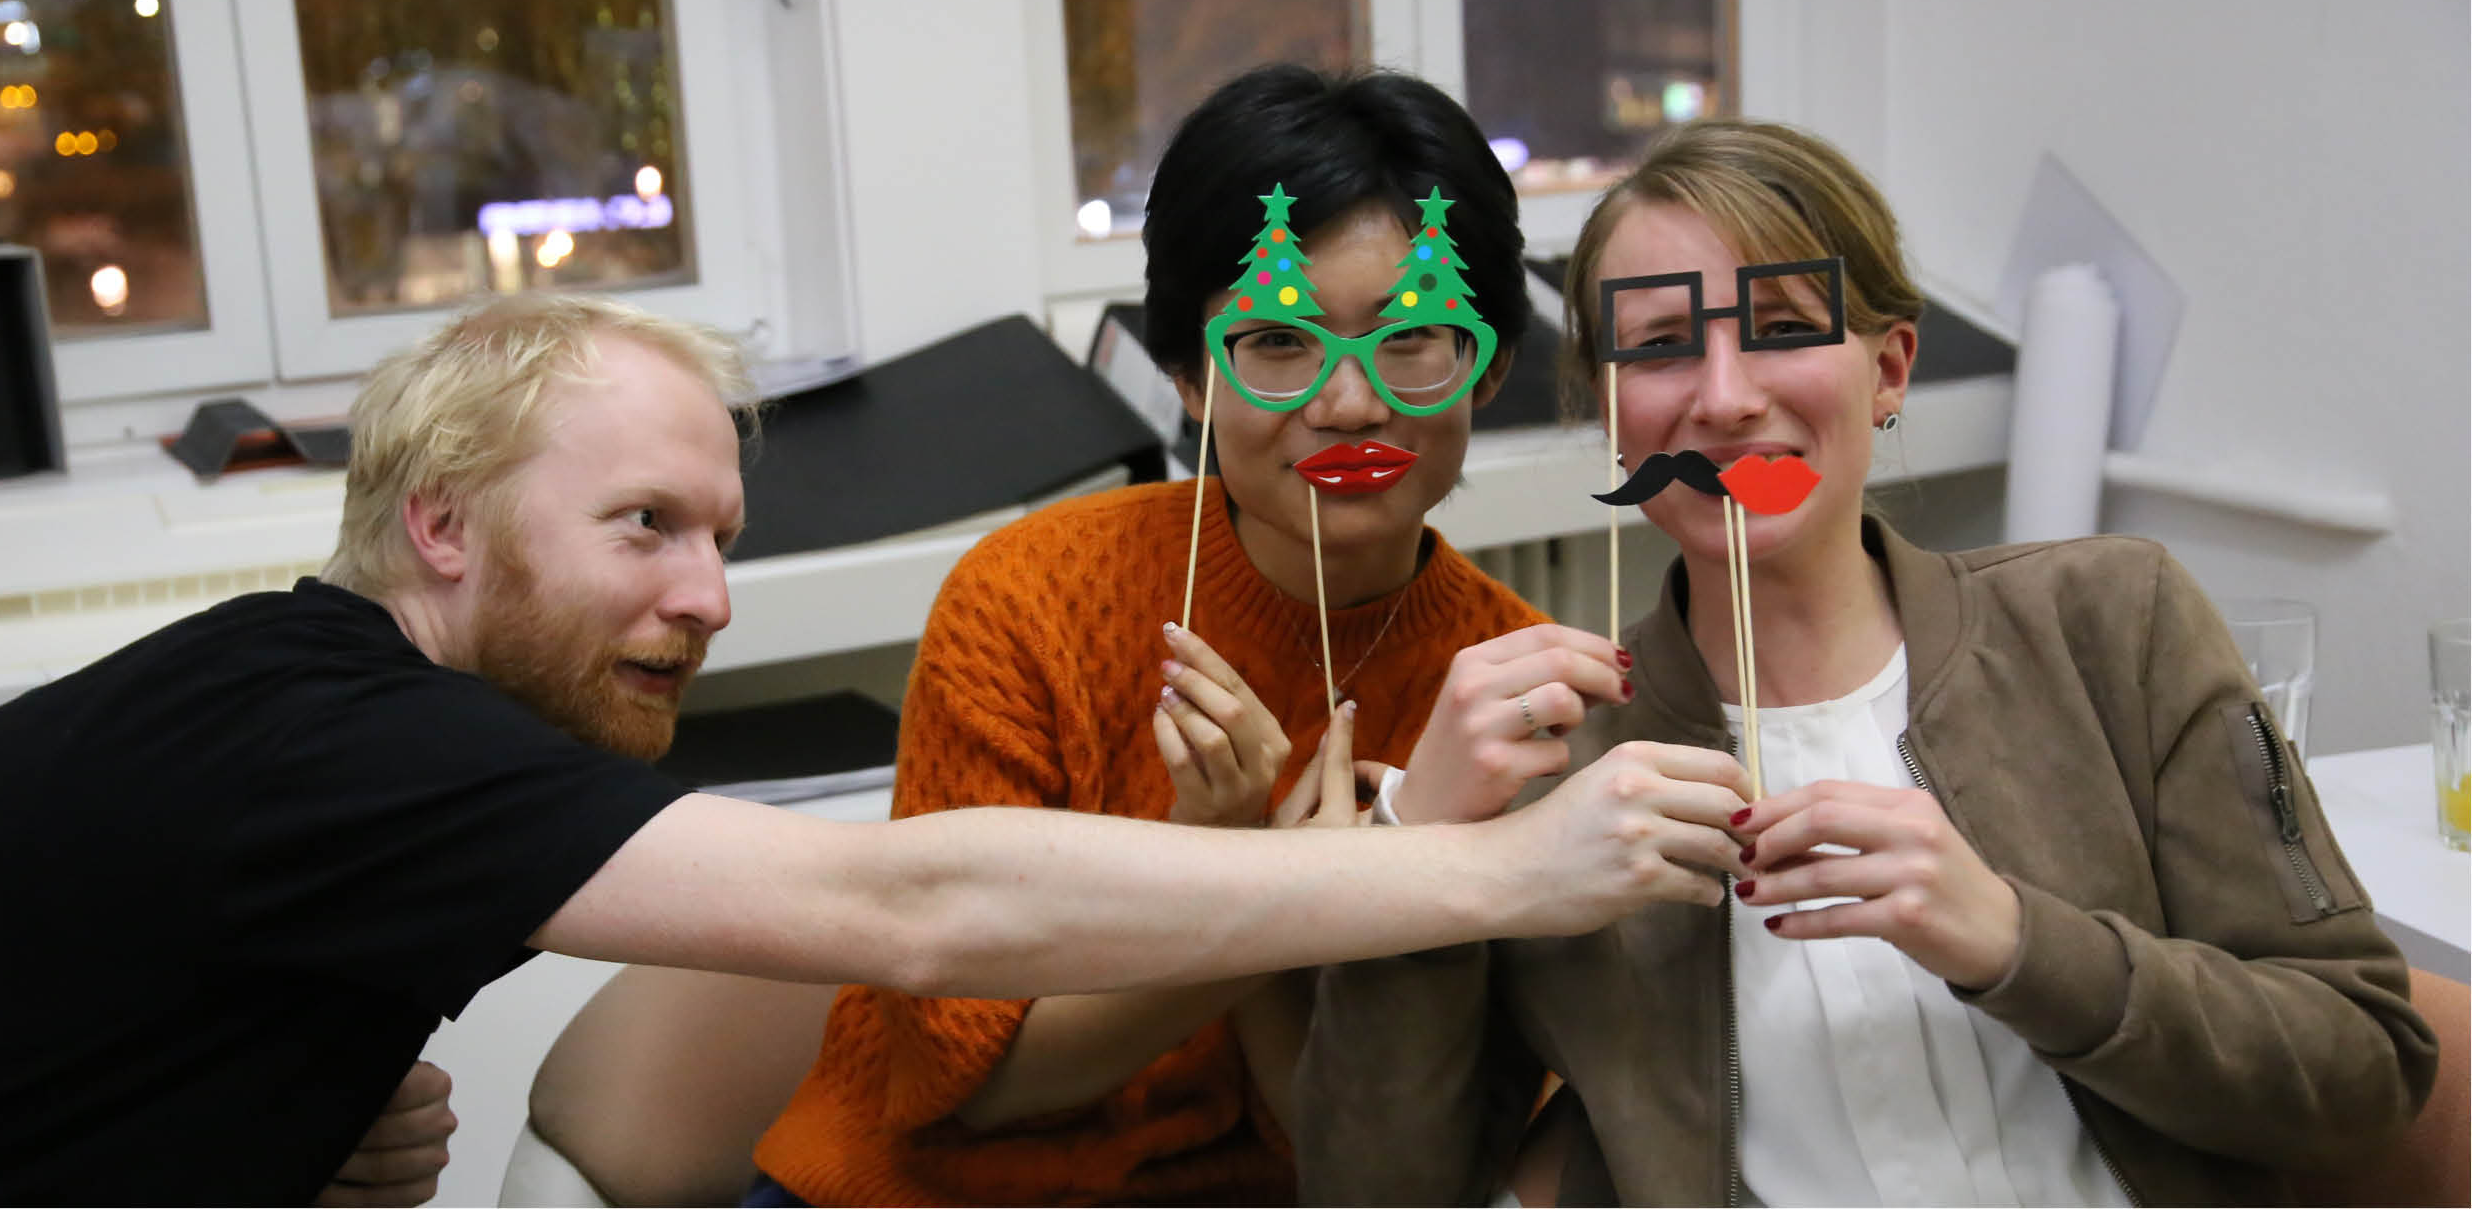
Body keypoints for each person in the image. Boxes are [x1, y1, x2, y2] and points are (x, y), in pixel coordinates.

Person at [0, 292, 1747, 1204]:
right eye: (642, 527)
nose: (706, 598)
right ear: (438, 525)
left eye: (720, 539)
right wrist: (1485, 863)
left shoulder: (337, 727)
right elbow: (909, 907)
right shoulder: (334, 732)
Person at [530, 66, 1752, 1206]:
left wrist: (1347, 877)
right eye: (1276, 342)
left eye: (1410, 338)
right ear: (1187, 375)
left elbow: (1360, 1160)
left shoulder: (1516, 697)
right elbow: (975, 1086)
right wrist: (1257, 867)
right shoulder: (1034, 598)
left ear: (1484, 368)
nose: (1348, 400)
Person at [1295, 118, 2441, 1205]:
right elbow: (1378, 1190)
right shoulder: (1552, 765)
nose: (1725, 398)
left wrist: (2013, 939)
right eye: (1660, 345)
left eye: (1784, 325)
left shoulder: (2110, 623)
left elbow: (2365, 1071)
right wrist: (1417, 850)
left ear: (1888, 369)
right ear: (1609, 408)